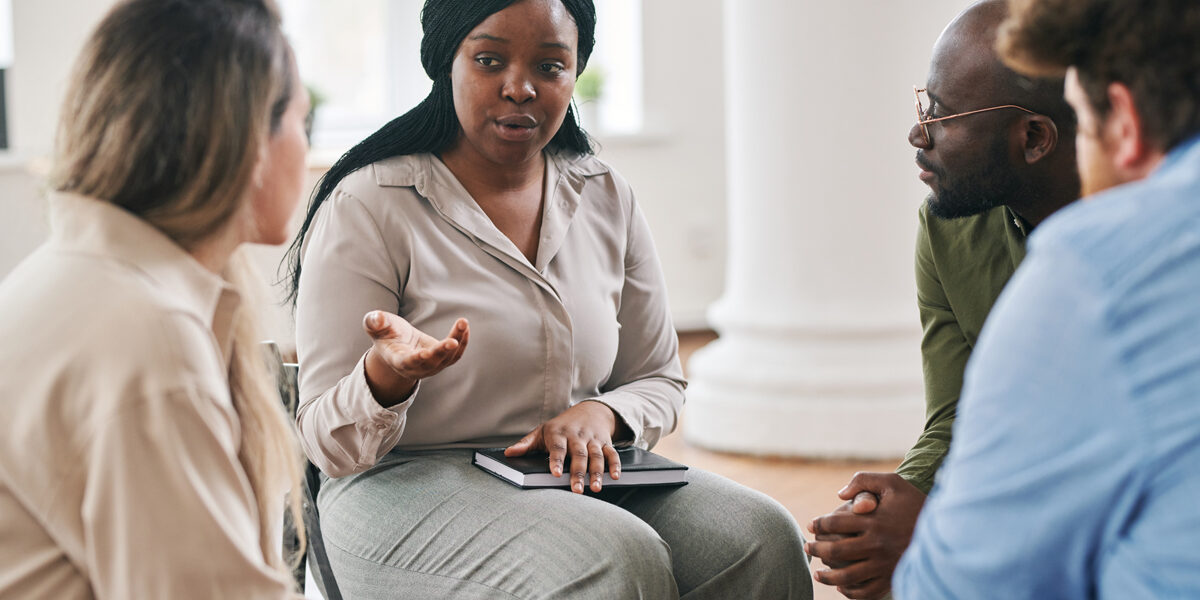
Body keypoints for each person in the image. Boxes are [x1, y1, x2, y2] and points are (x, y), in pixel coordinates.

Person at [284, 0, 812, 598]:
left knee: (763, 537)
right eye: (488, 60)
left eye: (550, 66)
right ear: (445, 62)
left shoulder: (606, 194)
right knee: (617, 558)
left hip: (562, 475)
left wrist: (606, 414)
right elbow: (328, 444)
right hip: (401, 480)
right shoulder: (370, 204)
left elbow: (660, 378)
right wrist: (385, 376)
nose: (520, 88)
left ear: (574, 71)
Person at [0, 0, 311, 598]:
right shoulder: (149, 340)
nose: (304, 144)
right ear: (250, 142)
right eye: (303, 120)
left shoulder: (78, 275)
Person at [892, 0, 1200, 597]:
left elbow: (953, 587)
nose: (918, 132)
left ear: (1124, 127)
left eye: (1083, 123)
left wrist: (930, 525)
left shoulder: (1093, 273)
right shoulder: (948, 231)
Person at [804, 2, 1080, 598]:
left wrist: (943, 529)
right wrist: (890, 508)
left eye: (943, 114)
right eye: (922, 104)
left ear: (1033, 138)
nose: (917, 133)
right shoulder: (947, 229)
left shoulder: (1151, 250)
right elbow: (957, 415)